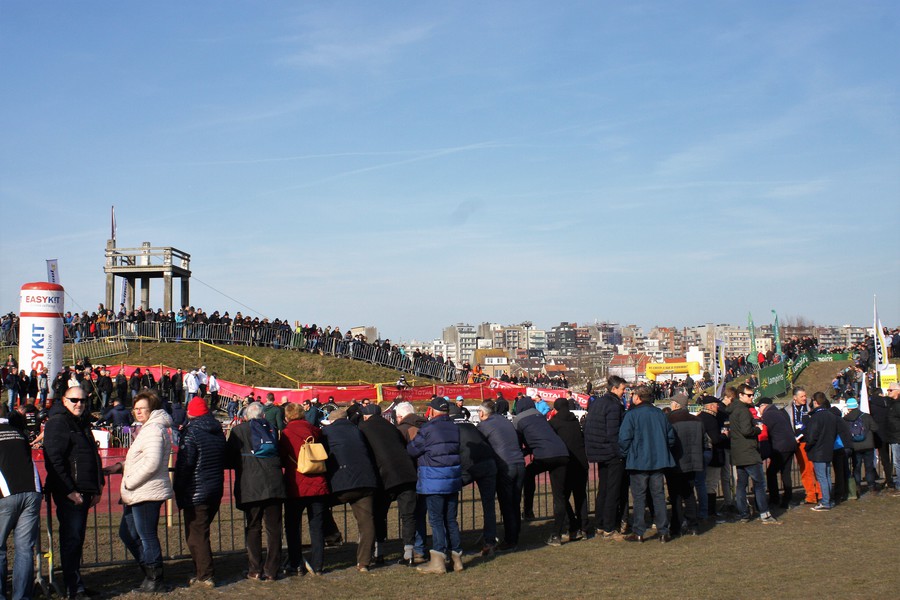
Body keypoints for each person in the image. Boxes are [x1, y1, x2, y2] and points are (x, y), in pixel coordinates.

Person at [104, 390, 174, 593]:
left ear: (152, 409)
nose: (138, 412)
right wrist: (120, 466)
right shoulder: (148, 429)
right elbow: (142, 458)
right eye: (135, 409)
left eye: (143, 408)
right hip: (139, 490)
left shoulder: (153, 430)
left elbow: (152, 463)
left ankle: (155, 578)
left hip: (145, 490)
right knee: (128, 533)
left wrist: (130, 482)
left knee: (146, 535)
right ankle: (149, 572)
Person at [42, 387, 104, 599]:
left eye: (83, 400)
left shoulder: (81, 423)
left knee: (77, 540)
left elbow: (93, 457)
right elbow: (53, 459)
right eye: (74, 400)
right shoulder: (59, 423)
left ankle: (76, 583)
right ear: (64, 401)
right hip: (71, 492)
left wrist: (98, 486)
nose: (79, 403)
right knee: (71, 539)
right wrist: (69, 490)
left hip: (84, 489)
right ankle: (73, 588)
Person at [226, 402, 286, 581]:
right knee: (274, 529)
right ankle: (272, 569)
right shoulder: (272, 429)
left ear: (246, 415)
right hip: (274, 482)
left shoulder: (239, 431)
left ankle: (255, 569)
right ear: (263, 415)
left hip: (250, 484)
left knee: (253, 527)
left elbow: (228, 458)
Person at [406, 397, 463, 574]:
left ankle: (438, 559)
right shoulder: (454, 427)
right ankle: (457, 558)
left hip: (434, 478)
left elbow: (413, 449)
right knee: (451, 520)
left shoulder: (428, 428)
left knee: (436, 519)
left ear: (433, 411)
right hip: (452, 477)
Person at [174, 397, 226, 588]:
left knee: (196, 534)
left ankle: (205, 574)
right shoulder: (218, 431)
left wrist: (178, 487)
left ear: (191, 412)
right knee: (200, 531)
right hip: (215, 487)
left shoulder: (191, 431)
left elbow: (186, 463)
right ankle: (202, 571)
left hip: (196, 489)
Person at [357, 404, 418, 566]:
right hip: (407, 473)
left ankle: (379, 552)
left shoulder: (363, 427)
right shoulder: (392, 427)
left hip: (385, 476)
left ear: (365, 416)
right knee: (408, 515)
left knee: (379, 515)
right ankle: (409, 553)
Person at [321, 408, 378, 572]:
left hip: (341, 482)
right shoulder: (358, 431)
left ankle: (332, 534)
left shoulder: (326, 432)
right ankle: (364, 562)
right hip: (366, 480)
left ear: (332, 421)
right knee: (366, 521)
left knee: (319, 505)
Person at [618, 385, 675, 543]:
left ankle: (639, 532)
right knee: (658, 496)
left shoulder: (632, 415)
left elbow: (624, 439)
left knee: (639, 498)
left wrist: (625, 454)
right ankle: (664, 531)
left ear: (637, 397)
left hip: (638, 462)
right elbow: (670, 437)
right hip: (657, 460)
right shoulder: (659, 414)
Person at [279, 402, 328, 576]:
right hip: (318, 483)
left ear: (287, 416)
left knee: (292, 525)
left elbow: (283, 457)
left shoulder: (286, 433)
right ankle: (318, 564)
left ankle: (295, 562)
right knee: (317, 526)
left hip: (296, 484)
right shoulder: (315, 431)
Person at [514, 396, 569, 546]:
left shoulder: (518, 420)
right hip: (562, 453)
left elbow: (520, 443)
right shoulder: (540, 416)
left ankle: (528, 509)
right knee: (559, 495)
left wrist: (525, 452)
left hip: (545, 455)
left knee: (528, 473)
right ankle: (556, 534)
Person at [0, 404, 42, 600]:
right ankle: (21, 597)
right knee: (25, 549)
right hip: (32, 490)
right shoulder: (18, 432)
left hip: (6, 493)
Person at [725, 384, 779, 524]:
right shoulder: (743, 410)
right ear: (741, 395)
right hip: (748, 452)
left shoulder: (734, 409)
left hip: (739, 452)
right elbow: (746, 431)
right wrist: (758, 429)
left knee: (741, 484)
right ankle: (765, 514)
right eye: (749, 395)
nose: (752, 397)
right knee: (759, 483)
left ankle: (744, 514)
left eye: (752, 395)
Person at [583, 375, 627, 540]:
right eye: (623, 389)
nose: (624, 392)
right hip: (611, 452)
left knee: (603, 489)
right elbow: (613, 432)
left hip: (599, 451)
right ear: (614, 388)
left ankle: (600, 524)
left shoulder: (598, 403)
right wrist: (620, 453)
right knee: (612, 491)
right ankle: (609, 527)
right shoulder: (614, 406)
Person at [478, 400, 525, 551]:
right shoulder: (504, 421)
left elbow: (478, 444)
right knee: (515, 502)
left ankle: (511, 540)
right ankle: (515, 535)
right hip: (519, 462)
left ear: (482, 413)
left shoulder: (484, 426)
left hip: (505, 465)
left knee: (507, 504)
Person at [455, 414, 498, 552]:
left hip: (469, 465)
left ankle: (452, 543)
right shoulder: (471, 425)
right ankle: (490, 541)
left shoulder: (451, 427)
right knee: (489, 505)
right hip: (488, 463)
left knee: (449, 500)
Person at [549, 398, 589, 542]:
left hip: (564, 464)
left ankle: (572, 525)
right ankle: (583, 528)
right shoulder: (575, 422)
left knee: (561, 497)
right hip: (581, 463)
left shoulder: (554, 423)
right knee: (580, 496)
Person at [665, 393, 704, 536]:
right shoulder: (697, 420)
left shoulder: (669, 419)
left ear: (676, 404)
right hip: (693, 462)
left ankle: (676, 526)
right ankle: (693, 525)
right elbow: (702, 441)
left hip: (675, 462)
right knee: (689, 494)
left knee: (675, 495)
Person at [758, 397, 797, 509]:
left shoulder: (768, 415)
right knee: (786, 472)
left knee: (771, 472)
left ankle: (774, 498)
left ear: (763, 406)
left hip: (780, 447)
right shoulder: (781, 412)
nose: (759, 411)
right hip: (791, 445)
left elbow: (765, 432)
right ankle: (787, 498)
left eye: (759, 407)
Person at [805, 392, 840, 511]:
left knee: (822, 477)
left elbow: (811, 436)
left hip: (818, 450)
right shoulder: (831, 416)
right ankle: (829, 499)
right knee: (827, 476)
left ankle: (825, 502)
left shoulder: (816, 417)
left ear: (815, 402)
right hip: (828, 449)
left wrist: (808, 446)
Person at [786, 386, 819, 505]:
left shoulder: (810, 406)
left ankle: (819, 493)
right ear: (795, 398)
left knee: (815, 468)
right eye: (802, 396)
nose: (805, 398)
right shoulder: (788, 409)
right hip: (797, 443)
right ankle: (810, 494)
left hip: (809, 441)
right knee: (805, 469)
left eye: (805, 396)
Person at [842, 397, 879, 497]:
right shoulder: (866, 416)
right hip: (868, 445)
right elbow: (875, 428)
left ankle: (857, 487)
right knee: (869, 467)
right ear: (857, 406)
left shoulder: (845, 419)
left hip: (855, 447)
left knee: (856, 468)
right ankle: (871, 487)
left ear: (848, 408)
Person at [885, 382, 900, 494]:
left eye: (890, 390)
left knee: (897, 462)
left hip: (897, 436)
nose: (888, 392)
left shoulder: (897, 404)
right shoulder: (891, 403)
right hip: (893, 436)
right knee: (897, 462)